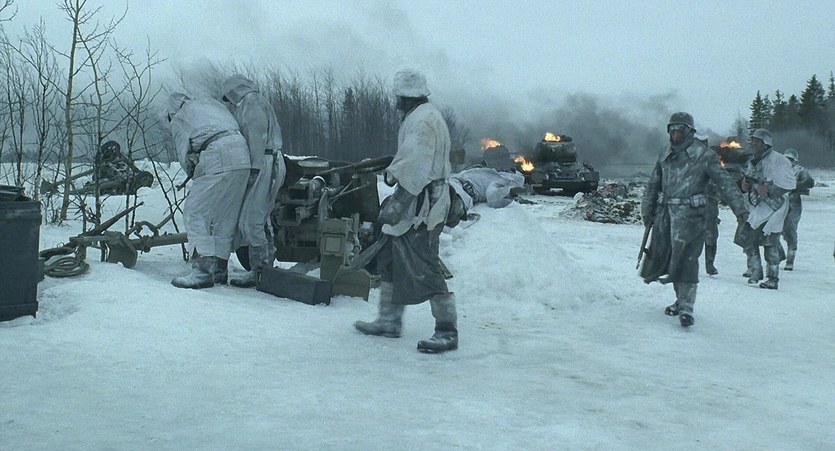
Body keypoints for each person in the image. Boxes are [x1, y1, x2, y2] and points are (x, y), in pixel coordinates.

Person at [354, 69, 458, 353]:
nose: (395, 101)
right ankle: (389, 321)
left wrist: (397, 202)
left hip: (421, 206)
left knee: (424, 267)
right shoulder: (422, 116)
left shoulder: (423, 121)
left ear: (403, 97)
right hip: (417, 201)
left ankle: (447, 330)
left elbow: (416, 167)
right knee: (388, 259)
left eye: (397, 97)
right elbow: (413, 157)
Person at [640, 112, 748, 327]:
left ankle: (687, 306)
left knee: (688, 260)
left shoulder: (704, 156)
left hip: (692, 218)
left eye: (680, 129)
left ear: (689, 131)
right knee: (671, 260)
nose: (676, 134)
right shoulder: (665, 153)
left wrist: (741, 210)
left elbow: (726, 184)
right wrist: (647, 211)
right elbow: (653, 184)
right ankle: (680, 300)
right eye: (672, 129)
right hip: (666, 217)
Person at [166, 92, 251, 289]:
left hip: (218, 154)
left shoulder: (179, 117)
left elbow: (184, 155)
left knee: (195, 212)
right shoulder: (212, 105)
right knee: (226, 216)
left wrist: (194, 171)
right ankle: (219, 269)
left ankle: (202, 272)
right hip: (243, 155)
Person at [221, 74, 287, 287]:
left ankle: (260, 270)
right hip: (271, 161)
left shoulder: (252, 104)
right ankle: (265, 266)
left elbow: (256, 138)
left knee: (252, 219)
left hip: (264, 163)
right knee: (261, 216)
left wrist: (253, 171)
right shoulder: (257, 101)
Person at [735, 128, 796, 289]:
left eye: (757, 141)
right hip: (758, 207)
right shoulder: (754, 161)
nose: (753, 144)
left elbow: (790, 184)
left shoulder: (780, 160)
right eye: (753, 140)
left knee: (770, 243)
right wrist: (744, 186)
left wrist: (770, 189)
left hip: (775, 207)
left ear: (765, 143)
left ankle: (773, 279)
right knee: (747, 237)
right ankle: (756, 270)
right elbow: (749, 180)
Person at [779, 148, 815, 271]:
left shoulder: (800, 170)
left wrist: (794, 186)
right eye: (786, 158)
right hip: (777, 203)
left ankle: (790, 260)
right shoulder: (777, 169)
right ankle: (779, 255)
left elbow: (810, 182)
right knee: (772, 230)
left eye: (790, 159)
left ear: (794, 160)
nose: (788, 161)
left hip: (793, 204)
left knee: (790, 230)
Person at [448, 165, 526, 211]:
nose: (507, 169)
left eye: (512, 171)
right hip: (454, 181)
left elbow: (492, 196)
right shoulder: (494, 173)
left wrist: (510, 191)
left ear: (512, 177)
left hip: (460, 189)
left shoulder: (499, 181)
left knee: (453, 204)